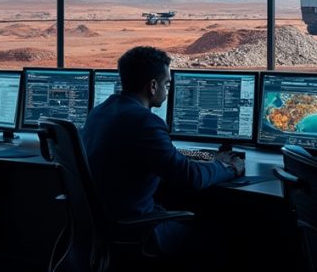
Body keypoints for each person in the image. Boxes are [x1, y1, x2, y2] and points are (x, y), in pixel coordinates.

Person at [83, 46, 244, 258]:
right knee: (223, 235)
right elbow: (191, 177)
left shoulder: (99, 112)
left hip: (102, 224)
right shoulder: (145, 122)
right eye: (167, 84)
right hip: (137, 228)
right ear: (152, 86)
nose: (168, 91)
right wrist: (227, 166)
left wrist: (179, 154)